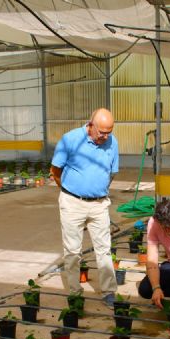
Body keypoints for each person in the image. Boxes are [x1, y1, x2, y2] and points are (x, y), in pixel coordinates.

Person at [50, 108, 119, 308]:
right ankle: (75, 293)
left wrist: (98, 191)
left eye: (109, 132)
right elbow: (55, 171)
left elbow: (111, 172)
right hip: (73, 202)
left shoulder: (112, 142)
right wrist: (69, 192)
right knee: (72, 251)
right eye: (101, 132)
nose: (105, 137)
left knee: (104, 250)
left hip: (99, 204)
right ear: (91, 125)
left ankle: (109, 291)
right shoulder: (70, 140)